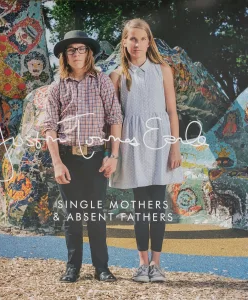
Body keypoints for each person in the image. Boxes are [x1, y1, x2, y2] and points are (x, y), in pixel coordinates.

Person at [42, 30, 123, 283]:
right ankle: (72, 267)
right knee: (73, 216)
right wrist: (57, 162)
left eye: (81, 49)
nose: (76, 53)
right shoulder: (56, 88)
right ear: (64, 56)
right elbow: (49, 127)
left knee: (97, 216)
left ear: (89, 53)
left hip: (97, 158)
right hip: (68, 159)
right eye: (71, 50)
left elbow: (115, 119)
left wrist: (114, 156)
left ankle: (102, 268)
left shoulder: (101, 82)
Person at [108, 19, 183, 283]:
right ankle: (141, 264)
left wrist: (175, 147)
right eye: (132, 39)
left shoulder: (163, 70)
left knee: (158, 207)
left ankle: (157, 264)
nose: (136, 44)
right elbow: (115, 118)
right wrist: (114, 153)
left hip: (161, 143)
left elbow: (172, 112)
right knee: (141, 207)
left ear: (148, 42)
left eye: (141, 39)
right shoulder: (117, 75)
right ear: (125, 43)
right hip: (134, 145)